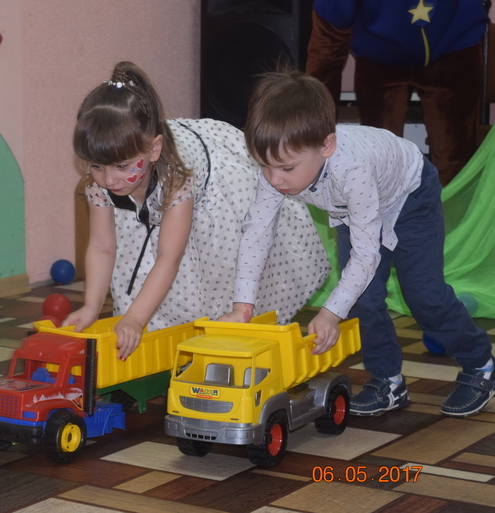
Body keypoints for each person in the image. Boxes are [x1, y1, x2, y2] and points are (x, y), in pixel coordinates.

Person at [219, 70, 494, 417]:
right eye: (264, 166)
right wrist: (243, 305)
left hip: (410, 197)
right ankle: (388, 381)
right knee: (363, 298)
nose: (275, 179)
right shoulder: (277, 170)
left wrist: (329, 313)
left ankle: (481, 364)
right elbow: (257, 232)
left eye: (286, 168)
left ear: (326, 146)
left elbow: (366, 254)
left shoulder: (352, 168)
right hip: (355, 209)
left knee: (424, 295)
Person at [64, 62, 330, 360]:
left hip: (213, 185)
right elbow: (102, 247)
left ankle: (219, 345)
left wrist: (135, 319)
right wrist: (91, 306)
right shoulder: (102, 178)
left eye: (121, 166)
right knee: (142, 278)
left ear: (153, 150)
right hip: (154, 187)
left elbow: (169, 256)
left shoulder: (176, 178)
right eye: (96, 166)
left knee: (214, 280)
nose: (109, 179)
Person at [305, 1, 489, 186]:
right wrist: (314, 135)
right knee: (381, 161)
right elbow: (327, 46)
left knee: (454, 160)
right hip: (379, 57)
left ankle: (451, 201)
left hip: (453, 47)